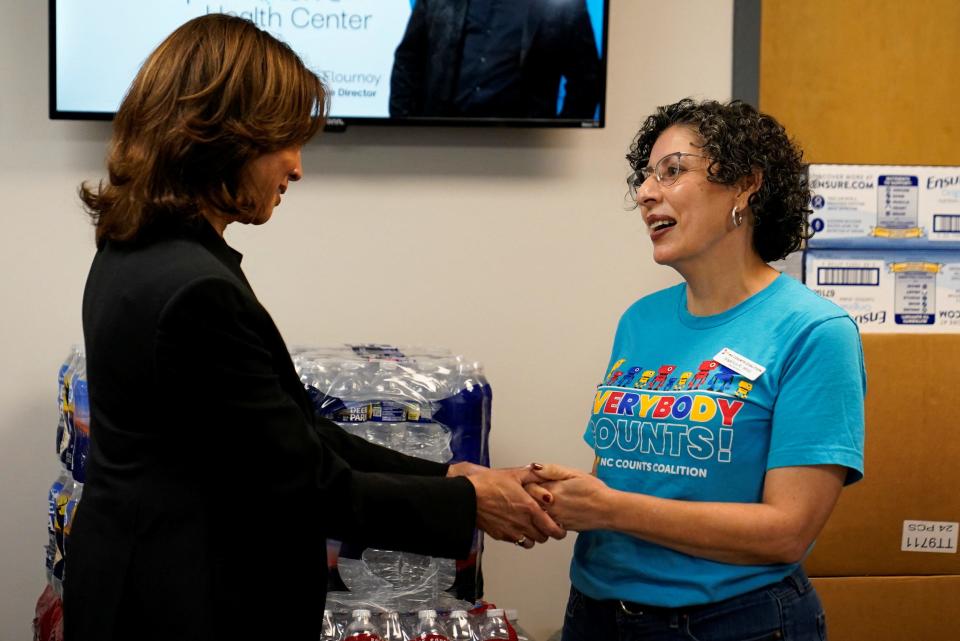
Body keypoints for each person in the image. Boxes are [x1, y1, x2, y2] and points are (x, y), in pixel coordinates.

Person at [63, 14, 563, 641]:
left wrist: (450, 475)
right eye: (285, 142)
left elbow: (291, 437)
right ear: (222, 136)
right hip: (187, 604)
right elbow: (302, 485)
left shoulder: (134, 253)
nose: (296, 168)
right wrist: (470, 503)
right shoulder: (197, 290)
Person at [526, 99, 866, 641]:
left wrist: (610, 509)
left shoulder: (814, 331)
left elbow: (786, 534)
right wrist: (554, 497)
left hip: (732, 622)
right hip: (595, 611)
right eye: (645, 177)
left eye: (673, 171)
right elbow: (615, 478)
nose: (644, 193)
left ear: (744, 186)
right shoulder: (640, 320)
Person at [389, 0, 602, 119]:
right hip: (440, 138)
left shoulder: (562, 4)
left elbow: (587, 77)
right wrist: (405, 126)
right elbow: (408, 59)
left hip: (522, 148)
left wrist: (559, 136)